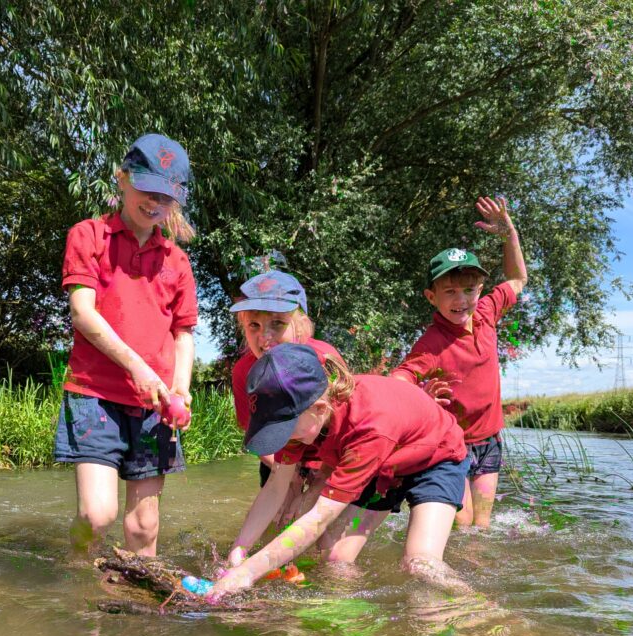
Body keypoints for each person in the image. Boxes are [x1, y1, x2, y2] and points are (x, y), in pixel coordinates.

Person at [208, 343, 471, 600]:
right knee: (335, 559)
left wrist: (248, 573)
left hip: (436, 458)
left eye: (283, 429)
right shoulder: (301, 417)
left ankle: (476, 608)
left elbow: (320, 517)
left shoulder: (368, 426)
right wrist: (239, 551)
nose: (282, 438)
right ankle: (343, 616)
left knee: (420, 564)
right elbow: (276, 486)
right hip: (384, 465)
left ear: (320, 409)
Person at [54, 133, 197, 556]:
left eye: (166, 196)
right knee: (96, 516)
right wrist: (137, 367)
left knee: (144, 527)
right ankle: (81, 574)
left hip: (156, 405)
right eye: (146, 189)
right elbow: (83, 313)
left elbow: (183, 333)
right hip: (95, 395)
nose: (154, 203)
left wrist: (181, 388)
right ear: (122, 178)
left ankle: (140, 613)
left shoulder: (177, 261)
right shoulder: (89, 236)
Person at [227, 270, 391, 565]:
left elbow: (347, 432)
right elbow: (260, 438)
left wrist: (316, 483)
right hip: (282, 453)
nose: (265, 337)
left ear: (301, 325)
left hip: (333, 459)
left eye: (278, 324)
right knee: (277, 528)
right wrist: (289, 478)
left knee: (323, 539)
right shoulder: (244, 373)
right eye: (254, 325)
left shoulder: (325, 359)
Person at [393, 196, 527, 529]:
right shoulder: (431, 343)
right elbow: (401, 378)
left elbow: (518, 279)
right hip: (451, 446)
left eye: (468, 289)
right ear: (431, 297)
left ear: (480, 289)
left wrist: (509, 233)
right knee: (461, 522)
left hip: (489, 441)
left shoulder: (487, 312)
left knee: (481, 526)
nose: (461, 300)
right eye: (450, 291)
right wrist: (416, 397)